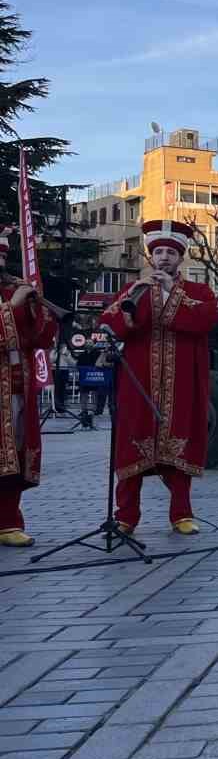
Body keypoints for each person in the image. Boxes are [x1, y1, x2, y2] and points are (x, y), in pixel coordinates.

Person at [98, 220, 218, 535]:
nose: (164, 257)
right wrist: (132, 297)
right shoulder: (134, 290)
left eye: (171, 253)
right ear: (151, 256)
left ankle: (181, 513)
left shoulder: (198, 292)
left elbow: (204, 320)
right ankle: (126, 516)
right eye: (159, 252)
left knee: (179, 444)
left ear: (181, 258)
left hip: (182, 384)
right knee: (131, 444)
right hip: (138, 384)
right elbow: (109, 324)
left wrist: (170, 292)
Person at [0, 235, 60, 548]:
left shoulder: (15, 290)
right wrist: (12, 307)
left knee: (15, 456)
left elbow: (41, 339)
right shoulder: (13, 299)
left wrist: (39, 309)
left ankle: (8, 522)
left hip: (16, 387)